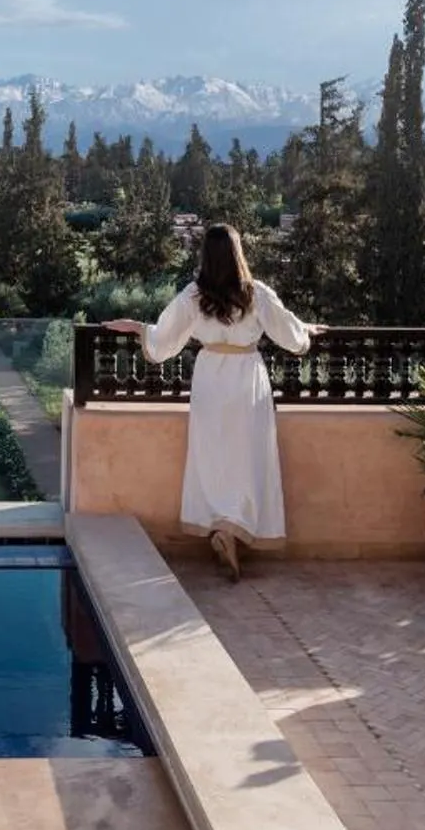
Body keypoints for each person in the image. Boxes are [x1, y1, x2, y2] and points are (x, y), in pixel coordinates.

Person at [102, 224, 319, 579]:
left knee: (212, 455)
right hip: (247, 378)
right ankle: (234, 528)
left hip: (210, 380)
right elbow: (290, 336)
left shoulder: (193, 295)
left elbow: (164, 338)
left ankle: (219, 525)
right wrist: (306, 333)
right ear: (238, 253)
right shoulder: (256, 293)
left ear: (206, 255)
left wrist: (140, 329)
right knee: (248, 456)